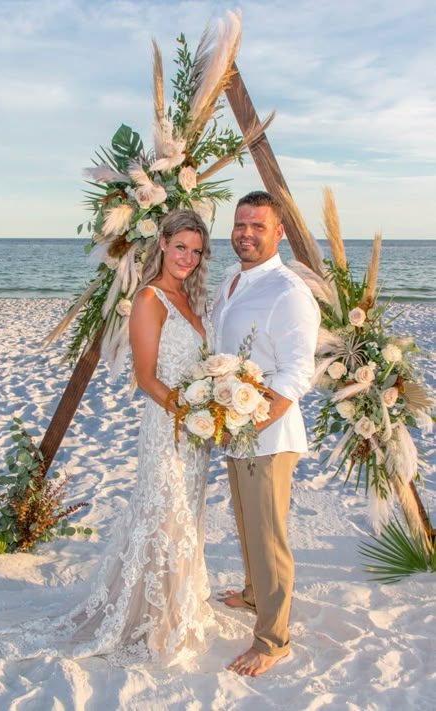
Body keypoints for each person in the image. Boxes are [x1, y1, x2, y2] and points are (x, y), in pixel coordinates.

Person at [0, 209, 214, 668]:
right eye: (181, 246)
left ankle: (174, 607)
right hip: (168, 426)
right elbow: (145, 379)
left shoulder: (192, 298)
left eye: (196, 251)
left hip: (197, 434)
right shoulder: (150, 299)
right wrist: (189, 413)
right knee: (165, 516)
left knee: (186, 519)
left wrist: (209, 411)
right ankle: (152, 618)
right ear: (162, 243)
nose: (188, 258)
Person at [211, 191, 320, 676]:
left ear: (279, 233)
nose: (246, 233)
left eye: (258, 226)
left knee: (268, 534)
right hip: (238, 429)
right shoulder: (233, 280)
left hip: (268, 437)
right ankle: (255, 594)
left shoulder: (287, 291)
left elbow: (298, 372)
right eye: (240, 224)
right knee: (247, 522)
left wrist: (254, 420)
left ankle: (273, 640)